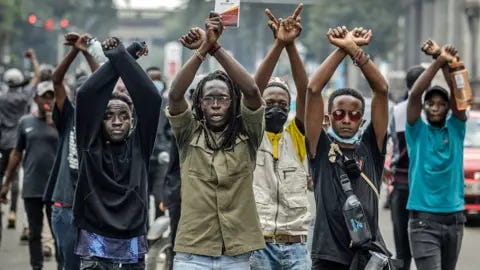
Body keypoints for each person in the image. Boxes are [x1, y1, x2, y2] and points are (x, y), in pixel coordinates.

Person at [167, 13, 265, 269]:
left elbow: (253, 91)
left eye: (222, 98)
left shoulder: (248, 133)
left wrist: (216, 48)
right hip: (192, 254)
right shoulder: (188, 133)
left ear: (233, 103)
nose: (216, 104)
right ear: (199, 104)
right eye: (209, 99)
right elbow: (175, 94)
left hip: (237, 255)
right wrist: (202, 50)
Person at [305, 26, 391, 269]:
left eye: (353, 115)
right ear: (329, 117)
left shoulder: (371, 148)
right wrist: (341, 50)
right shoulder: (319, 148)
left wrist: (354, 50)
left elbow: (382, 90)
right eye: (339, 114)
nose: (345, 120)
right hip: (328, 257)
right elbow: (313, 89)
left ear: (362, 121)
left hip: (368, 256)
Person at [72, 38, 161, 269]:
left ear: (132, 120)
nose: (117, 122)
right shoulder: (89, 145)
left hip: (131, 239)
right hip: (94, 240)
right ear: (98, 122)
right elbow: (86, 95)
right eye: (109, 116)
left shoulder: (140, 145)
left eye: (124, 116)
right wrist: (122, 55)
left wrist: (124, 55)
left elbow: (151, 99)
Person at [248, 4, 312, 270]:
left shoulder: (296, 137)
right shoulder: (249, 137)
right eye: (269, 101)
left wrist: (291, 46)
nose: (276, 106)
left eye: (282, 103)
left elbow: (305, 90)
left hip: (296, 247)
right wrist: (278, 45)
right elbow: (253, 90)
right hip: (257, 247)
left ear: (290, 107)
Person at [406, 40, 467, 270]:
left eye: (440, 104)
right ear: (424, 108)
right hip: (423, 221)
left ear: (448, 109)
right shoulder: (417, 132)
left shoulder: (457, 130)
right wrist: (438, 62)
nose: (434, 107)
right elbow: (414, 95)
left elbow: (460, 97)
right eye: (430, 104)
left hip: (455, 220)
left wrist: (445, 63)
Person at [42, 32, 98, 270]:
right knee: (70, 265)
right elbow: (57, 80)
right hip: (65, 209)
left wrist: (87, 53)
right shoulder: (68, 116)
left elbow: (105, 80)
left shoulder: (103, 120)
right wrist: (75, 50)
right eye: (82, 95)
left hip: (95, 211)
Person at [0, 81, 59, 270]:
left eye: (51, 95)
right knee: (34, 232)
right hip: (32, 186)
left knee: (59, 232)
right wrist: (7, 182)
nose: (48, 100)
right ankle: (36, 266)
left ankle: (62, 265)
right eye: (44, 96)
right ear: (36, 98)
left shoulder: (62, 121)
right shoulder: (25, 122)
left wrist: (56, 124)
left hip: (55, 187)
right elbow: (16, 154)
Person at [385, 65, 425, 270]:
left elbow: (390, 141)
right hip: (421, 187)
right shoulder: (432, 112)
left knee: (402, 247)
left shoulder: (398, 110)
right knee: (425, 247)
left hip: (401, 185)